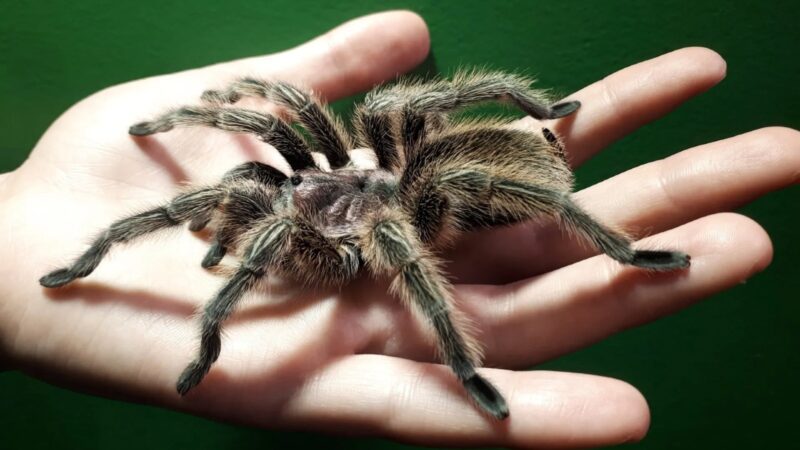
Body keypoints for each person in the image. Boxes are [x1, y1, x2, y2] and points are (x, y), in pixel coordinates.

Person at [0, 10, 795, 448]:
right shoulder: (288, 189)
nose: (284, 180)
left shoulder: (335, 213)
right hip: (390, 193)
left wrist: (214, 317)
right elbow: (257, 148)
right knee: (358, 147)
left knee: (394, 111)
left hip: (430, 192)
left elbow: (344, 210)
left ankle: (608, 251)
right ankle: (93, 258)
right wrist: (195, 117)